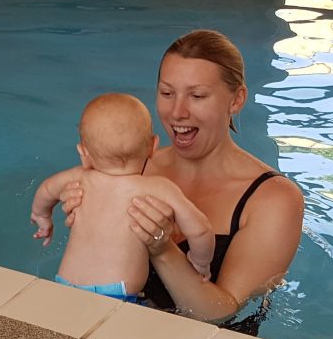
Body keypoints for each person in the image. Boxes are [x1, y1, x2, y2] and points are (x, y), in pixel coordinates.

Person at [64, 30, 305, 326]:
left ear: (236, 99)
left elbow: (222, 313)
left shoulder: (273, 199)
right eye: (167, 93)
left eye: (197, 95)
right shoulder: (130, 167)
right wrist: (86, 214)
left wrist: (162, 248)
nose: (177, 112)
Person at [31, 93, 214, 302]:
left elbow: (46, 190)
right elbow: (200, 230)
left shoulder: (78, 178)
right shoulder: (158, 187)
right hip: (118, 291)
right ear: (153, 146)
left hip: (66, 282)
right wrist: (200, 263)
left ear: (84, 153)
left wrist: (42, 217)